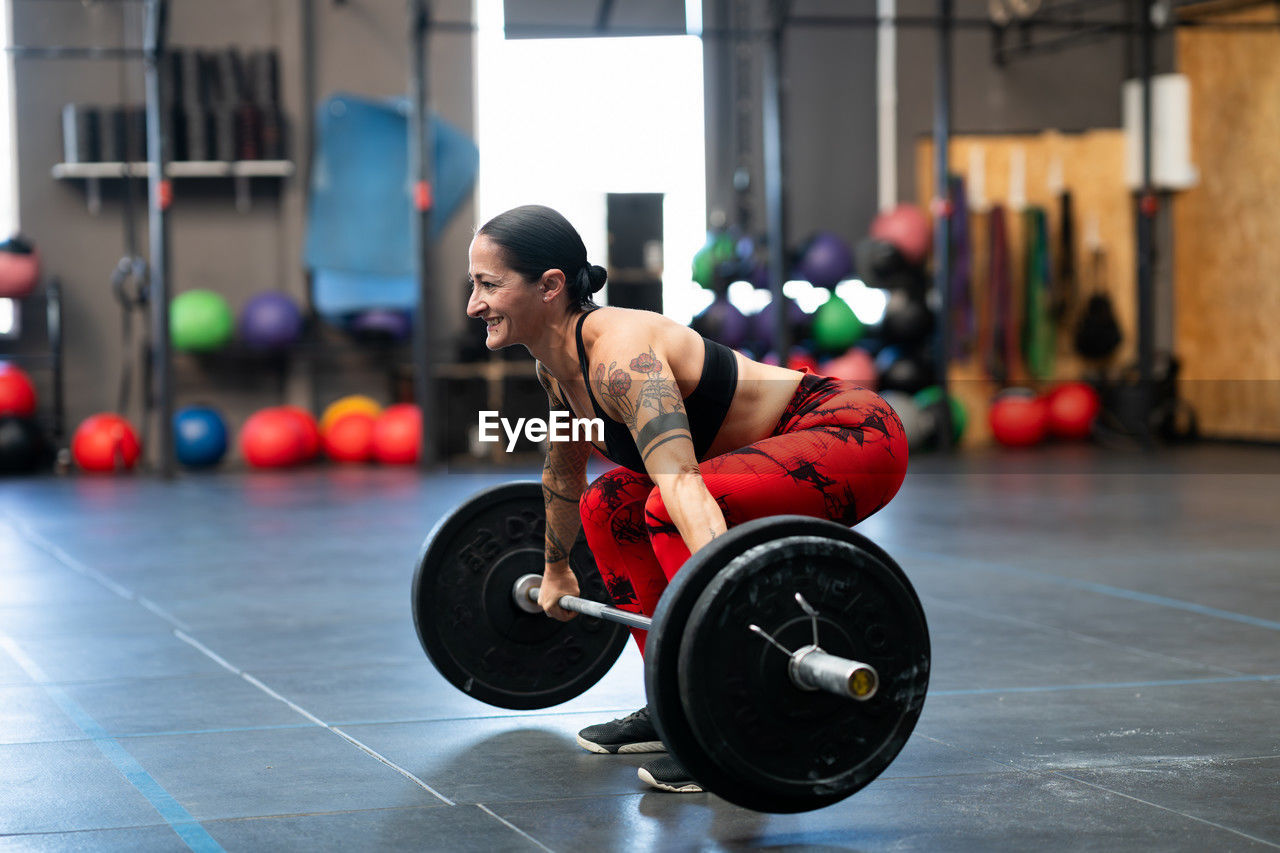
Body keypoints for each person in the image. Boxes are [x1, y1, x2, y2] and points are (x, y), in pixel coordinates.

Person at [466, 205, 908, 794]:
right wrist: (555, 569)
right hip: (761, 456)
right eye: (474, 286)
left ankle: (725, 710)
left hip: (850, 434)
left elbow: (681, 485)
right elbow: (565, 474)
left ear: (549, 286)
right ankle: (675, 701)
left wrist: (743, 614)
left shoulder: (624, 359)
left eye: (488, 285)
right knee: (609, 507)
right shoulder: (558, 368)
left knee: (661, 510)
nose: (474, 305)